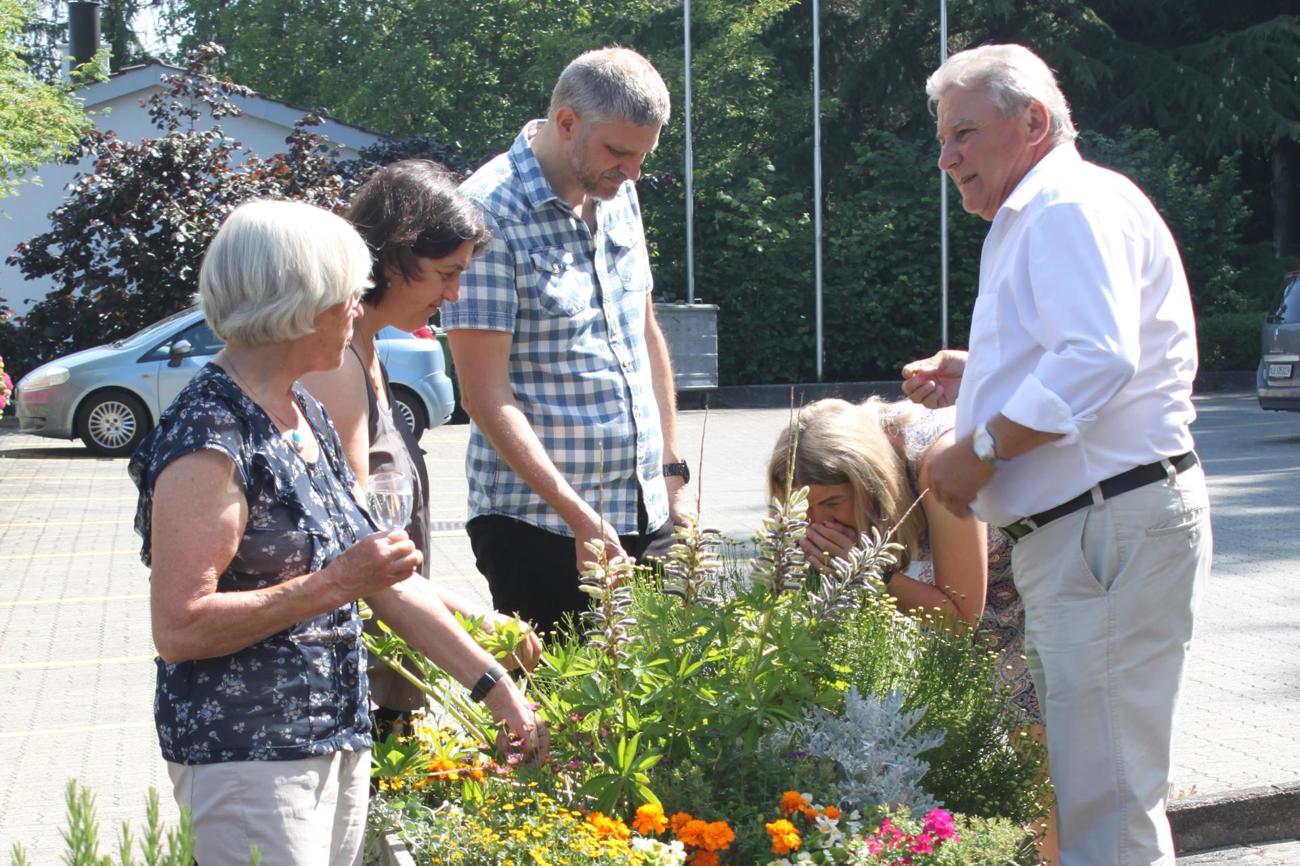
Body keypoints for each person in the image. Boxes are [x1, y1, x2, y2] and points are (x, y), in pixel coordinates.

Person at [129, 200, 545, 866]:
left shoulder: (305, 413)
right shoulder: (209, 436)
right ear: (299, 301)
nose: (359, 307)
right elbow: (180, 627)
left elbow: (385, 582)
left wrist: (497, 688)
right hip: (250, 758)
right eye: (349, 293)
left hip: (334, 739)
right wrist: (332, 585)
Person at [903, 44, 1212, 866]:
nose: (949, 157)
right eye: (944, 138)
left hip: (1105, 526)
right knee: (1095, 789)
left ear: (1033, 121)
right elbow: (1094, 353)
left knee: (1105, 800)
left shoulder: (1062, 205)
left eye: (965, 132)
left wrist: (981, 447)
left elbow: (1097, 359)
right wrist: (980, 377)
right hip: (1095, 528)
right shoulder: (1052, 206)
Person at [442, 47, 690, 636]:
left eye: (642, 156)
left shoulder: (616, 192)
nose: (633, 172)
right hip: (539, 527)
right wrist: (580, 519)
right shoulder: (485, 212)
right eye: (620, 153)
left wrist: (673, 477)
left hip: (642, 510)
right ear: (567, 123)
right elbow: (483, 395)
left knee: (654, 709)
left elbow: (643, 332)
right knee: (565, 719)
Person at [302, 160, 543, 726]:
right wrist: (482, 655)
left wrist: (474, 619)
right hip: (347, 688)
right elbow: (358, 562)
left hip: (384, 679)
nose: (454, 295)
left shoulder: (369, 354)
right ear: (394, 257)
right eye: (445, 272)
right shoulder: (336, 373)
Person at [766, 397, 1055, 863]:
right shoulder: (872, 464)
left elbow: (960, 617)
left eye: (832, 502)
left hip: (1057, 602)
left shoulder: (932, 465)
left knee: (1060, 801)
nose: (818, 522)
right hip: (1004, 637)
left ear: (868, 478)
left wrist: (865, 570)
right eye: (803, 508)